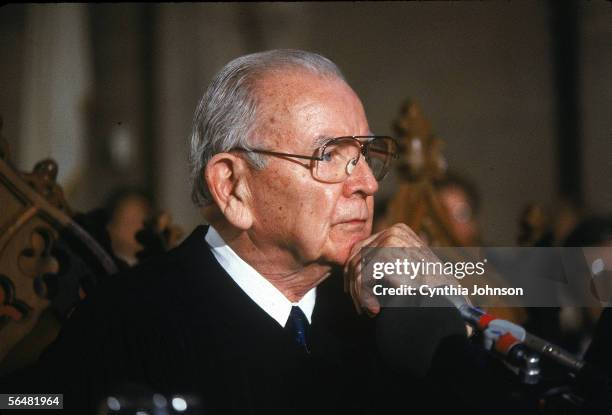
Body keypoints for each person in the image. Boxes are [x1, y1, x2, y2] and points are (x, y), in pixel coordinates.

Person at [1, 50, 526, 415]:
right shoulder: (131, 318)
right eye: (330, 156)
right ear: (232, 187)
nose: (366, 183)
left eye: (365, 155)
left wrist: (439, 302)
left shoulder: (380, 316)